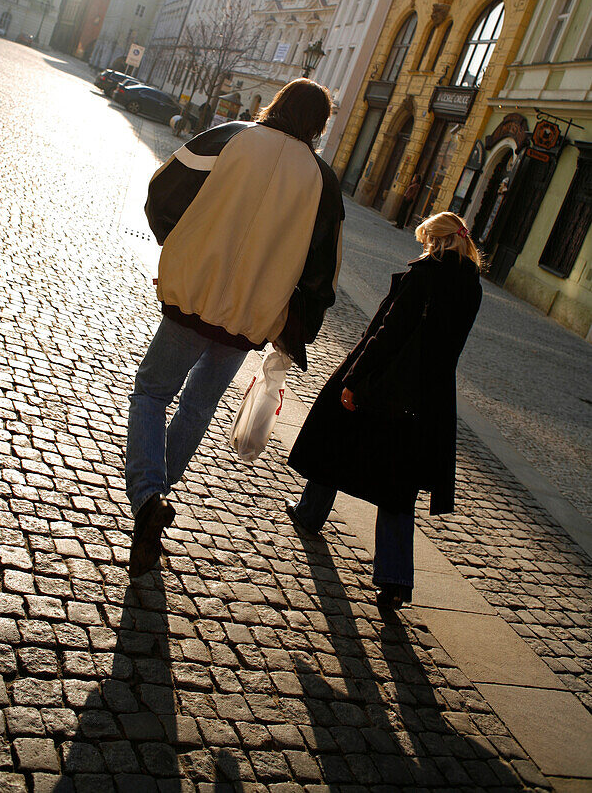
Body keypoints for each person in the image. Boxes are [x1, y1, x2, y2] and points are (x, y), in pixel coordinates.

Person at [126, 79, 345, 577]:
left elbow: (163, 189)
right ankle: (156, 495)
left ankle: (146, 497)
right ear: (319, 124)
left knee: (152, 391)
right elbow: (321, 271)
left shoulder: (230, 137)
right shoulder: (322, 181)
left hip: (193, 295)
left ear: (278, 104)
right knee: (199, 405)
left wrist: (178, 243)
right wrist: (296, 328)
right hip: (250, 317)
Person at [287, 211, 482, 609]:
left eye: (427, 240)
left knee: (337, 434)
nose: (424, 248)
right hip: (428, 396)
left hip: (386, 381)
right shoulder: (471, 286)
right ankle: (394, 579)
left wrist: (355, 378)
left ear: (437, 241)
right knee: (399, 484)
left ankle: (310, 513)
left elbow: (390, 331)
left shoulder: (426, 274)